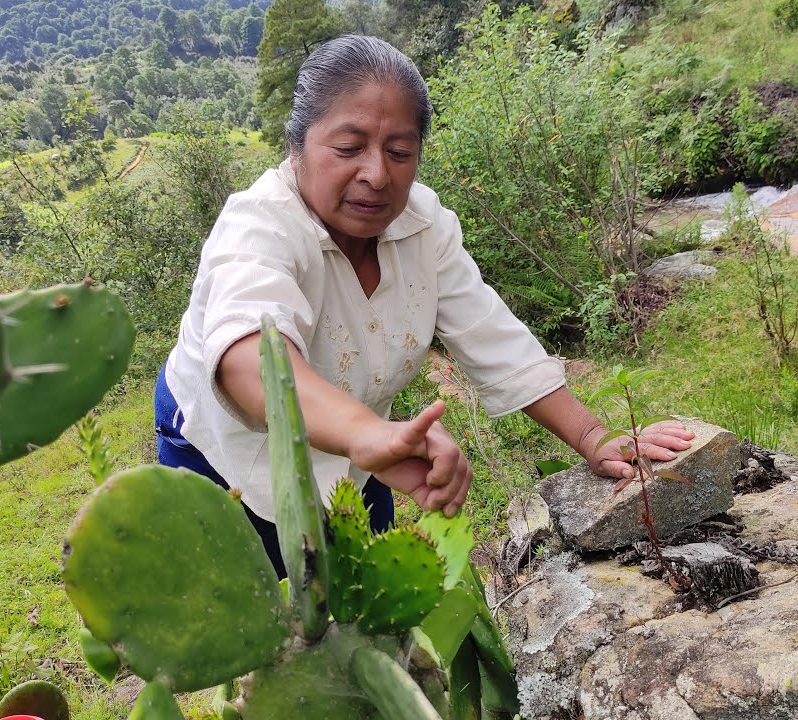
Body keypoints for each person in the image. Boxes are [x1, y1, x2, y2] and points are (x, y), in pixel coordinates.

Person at [155, 35, 694, 578]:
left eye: (399, 151)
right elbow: (251, 360)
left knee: (362, 610)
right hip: (225, 456)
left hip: (362, 454)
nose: (377, 174)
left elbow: (493, 338)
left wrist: (593, 436)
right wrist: (369, 434)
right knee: (255, 625)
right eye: (348, 148)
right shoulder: (259, 225)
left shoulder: (424, 225)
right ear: (297, 147)